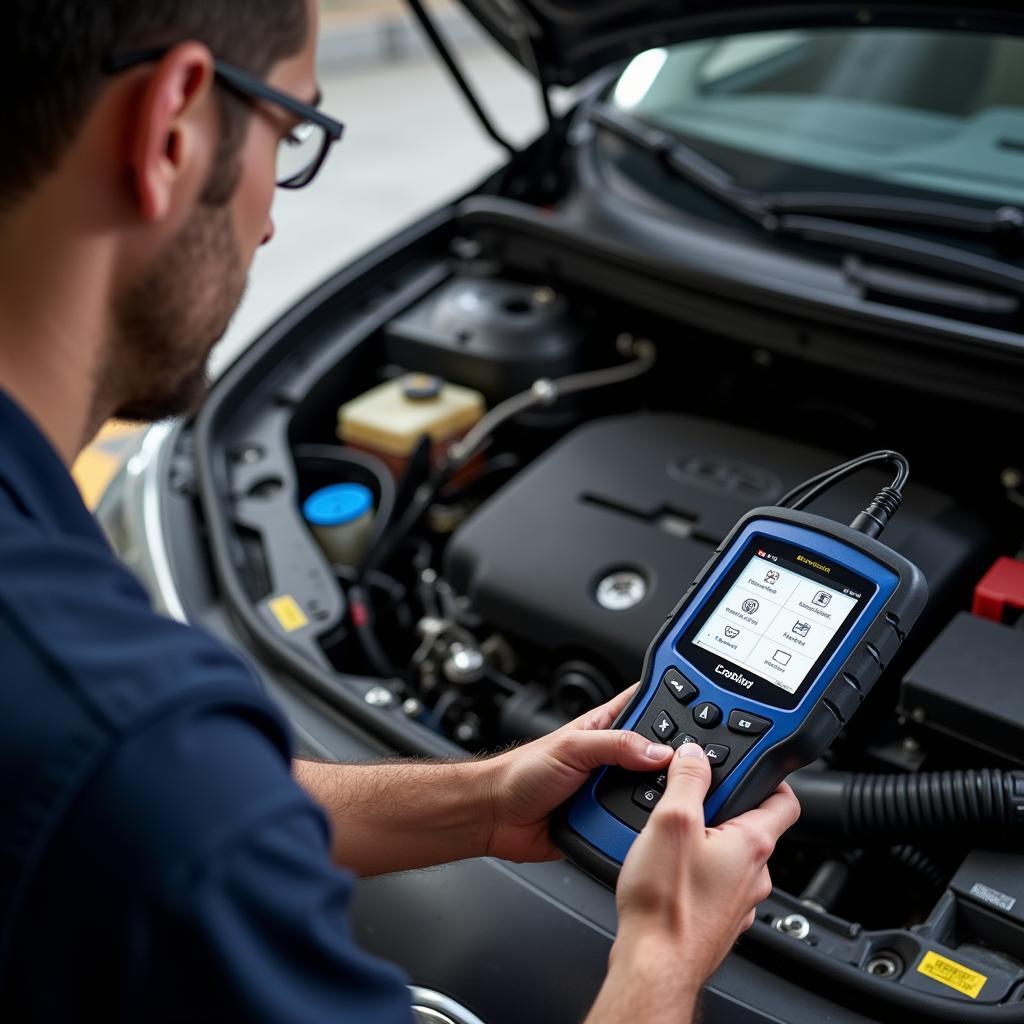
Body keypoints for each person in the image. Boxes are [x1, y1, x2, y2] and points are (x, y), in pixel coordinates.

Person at [0, 2, 801, 1021]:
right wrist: (663, 958)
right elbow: (146, 792)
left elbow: (163, 807)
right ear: (172, 126)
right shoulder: (118, 727)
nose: (273, 217)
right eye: (289, 136)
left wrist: (480, 799)